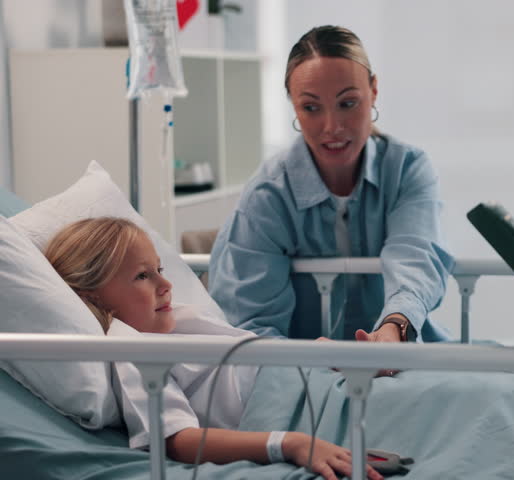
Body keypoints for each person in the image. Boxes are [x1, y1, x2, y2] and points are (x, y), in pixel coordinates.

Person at [44, 217, 385, 480]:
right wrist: (288, 443)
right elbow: (176, 439)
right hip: (296, 409)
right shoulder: (133, 350)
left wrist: (311, 354)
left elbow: (248, 359)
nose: (166, 284)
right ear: (93, 296)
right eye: (142, 276)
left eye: (159, 270)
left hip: (315, 382)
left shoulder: (178, 325)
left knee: (424, 386)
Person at [208, 25, 453, 344]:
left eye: (347, 103)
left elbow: (415, 257)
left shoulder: (407, 170)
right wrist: (312, 362)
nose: (332, 127)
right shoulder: (268, 196)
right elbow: (252, 326)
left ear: (374, 90)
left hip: (400, 358)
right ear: (294, 106)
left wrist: (394, 329)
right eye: (310, 108)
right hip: (301, 373)